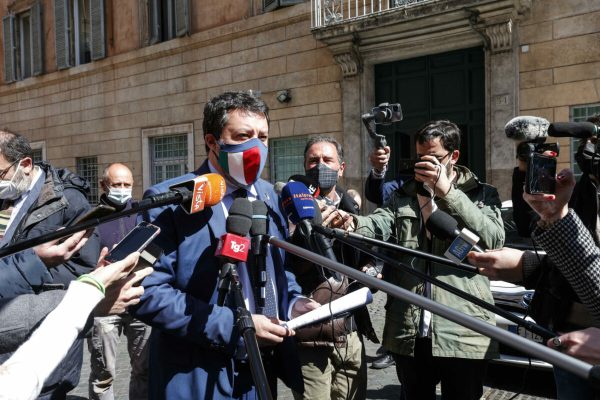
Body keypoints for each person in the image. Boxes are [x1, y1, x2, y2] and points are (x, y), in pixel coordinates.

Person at [131, 91, 318, 399]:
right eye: (243, 136)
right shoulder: (171, 199)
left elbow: (280, 271)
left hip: (261, 372)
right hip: (197, 373)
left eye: (263, 137)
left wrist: (293, 301)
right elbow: (147, 293)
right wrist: (236, 326)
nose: (256, 146)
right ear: (212, 142)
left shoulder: (272, 197)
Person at [334, 120, 504, 400]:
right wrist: (350, 223)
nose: (425, 166)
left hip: (463, 327)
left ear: (454, 156)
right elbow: (378, 223)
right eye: (420, 158)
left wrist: (448, 192)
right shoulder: (405, 195)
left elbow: (494, 239)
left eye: (434, 159)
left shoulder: (482, 193)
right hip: (410, 330)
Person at [469, 116, 600, 399]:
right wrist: (526, 265)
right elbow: (588, 264)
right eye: (590, 144)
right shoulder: (586, 189)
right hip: (568, 335)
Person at [0, 129, 100, 399]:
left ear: (26, 165)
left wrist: (29, 273)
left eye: (0, 175)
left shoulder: (68, 201)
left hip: (43, 345)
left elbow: (82, 269)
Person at [0, 250, 153, 400]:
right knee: (103, 374)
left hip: (123, 303)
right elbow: (14, 386)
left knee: (143, 372)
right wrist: (89, 296)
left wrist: (33, 260)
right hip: (96, 302)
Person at [289, 136, 376, 400]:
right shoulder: (290, 208)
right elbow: (284, 264)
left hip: (351, 330)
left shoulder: (352, 210)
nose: (320, 166)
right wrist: (308, 234)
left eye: (327, 160)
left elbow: (364, 260)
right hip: (311, 332)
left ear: (341, 168)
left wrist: (370, 267)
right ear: (304, 166)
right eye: (313, 161)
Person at [87, 163, 151, 400]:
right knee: (103, 373)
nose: (122, 189)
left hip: (139, 297)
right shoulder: (92, 218)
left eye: (127, 184)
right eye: (117, 184)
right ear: (104, 185)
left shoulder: (143, 211)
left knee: (145, 369)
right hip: (105, 303)